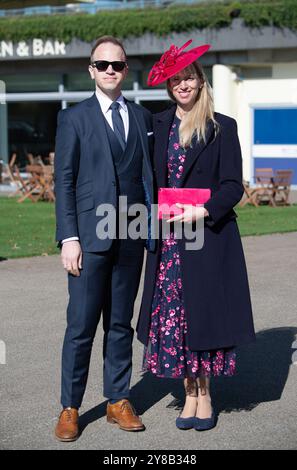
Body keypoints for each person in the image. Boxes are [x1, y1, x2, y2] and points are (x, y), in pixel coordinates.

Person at [137, 40, 256, 431]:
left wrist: (202, 210)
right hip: (170, 240)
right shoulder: (158, 125)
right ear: (169, 88)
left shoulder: (222, 127)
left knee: (202, 317)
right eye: (175, 81)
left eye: (188, 78)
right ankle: (188, 392)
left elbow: (231, 186)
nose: (182, 86)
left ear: (201, 81)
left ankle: (205, 395)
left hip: (206, 235)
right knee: (177, 319)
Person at [54, 36, 154, 441]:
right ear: (91, 70)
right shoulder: (73, 118)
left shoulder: (144, 117)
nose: (111, 70)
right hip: (89, 237)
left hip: (130, 233)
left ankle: (117, 399)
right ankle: (70, 407)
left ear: (126, 70)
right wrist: (69, 237)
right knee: (80, 325)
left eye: (118, 65)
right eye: (103, 64)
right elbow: (64, 182)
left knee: (119, 324)